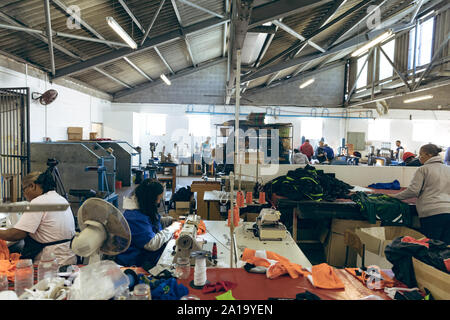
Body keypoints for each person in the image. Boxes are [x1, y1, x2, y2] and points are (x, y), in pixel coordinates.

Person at [0, 171, 76, 265]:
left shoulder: (38, 202)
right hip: (68, 257)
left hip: (50, 262)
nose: (24, 194)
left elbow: (17, 234)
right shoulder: (61, 199)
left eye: (23, 190)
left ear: (32, 186)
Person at [115, 179, 181, 269]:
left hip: (144, 255)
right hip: (135, 262)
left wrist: (169, 221)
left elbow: (152, 221)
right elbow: (152, 244)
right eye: (157, 199)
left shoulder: (143, 207)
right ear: (150, 199)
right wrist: (172, 229)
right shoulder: (134, 217)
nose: (158, 202)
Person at [391, 144, 450, 244]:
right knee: (445, 250)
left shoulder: (423, 169)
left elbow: (413, 191)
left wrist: (395, 197)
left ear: (429, 155)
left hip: (431, 213)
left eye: (421, 154)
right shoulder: (448, 169)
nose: (419, 157)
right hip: (448, 212)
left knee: (430, 248)